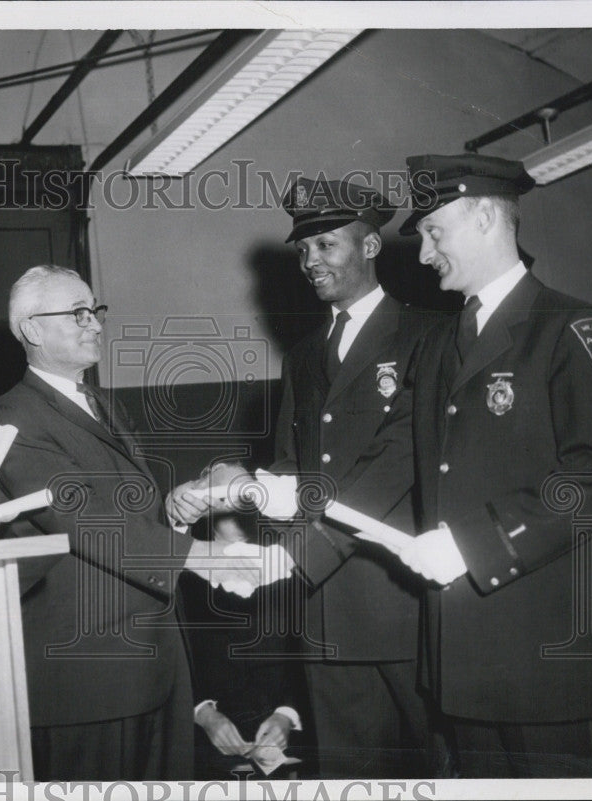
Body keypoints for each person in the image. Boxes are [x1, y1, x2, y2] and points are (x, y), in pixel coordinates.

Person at [344, 153, 592, 777]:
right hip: (461, 656)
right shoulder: (439, 342)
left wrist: (476, 545)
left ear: (482, 217)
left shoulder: (571, 326)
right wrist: (296, 505)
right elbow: (394, 458)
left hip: (549, 658)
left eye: (433, 232)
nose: (422, 254)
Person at [168, 177, 443, 777]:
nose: (310, 262)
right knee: (350, 774)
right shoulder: (303, 354)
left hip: (401, 605)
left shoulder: (429, 335)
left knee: (436, 773)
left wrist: (292, 558)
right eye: (303, 250)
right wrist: (231, 491)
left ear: (370, 246)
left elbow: (397, 466)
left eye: (326, 246)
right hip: (323, 614)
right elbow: (293, 468)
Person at [0, 266, 285, 780]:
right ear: (32, 329)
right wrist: (205, 556)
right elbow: (87, 522)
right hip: (89, 680)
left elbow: (120, 512)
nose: (95, 323)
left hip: (151, 666)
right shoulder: (13, 415)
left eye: (95, 310)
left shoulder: (97, 403)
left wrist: (173, 508)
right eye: (77, 313)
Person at [177, 510, 309, 779]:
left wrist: (286, 714)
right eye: (229, 500)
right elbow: (172, 655)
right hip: (197, 745)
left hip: (286, 743)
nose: (241, 509)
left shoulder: (290, 564)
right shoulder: (181, 573)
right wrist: (202, 714)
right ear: (208, 511)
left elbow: (305, 658)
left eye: (247, 499)